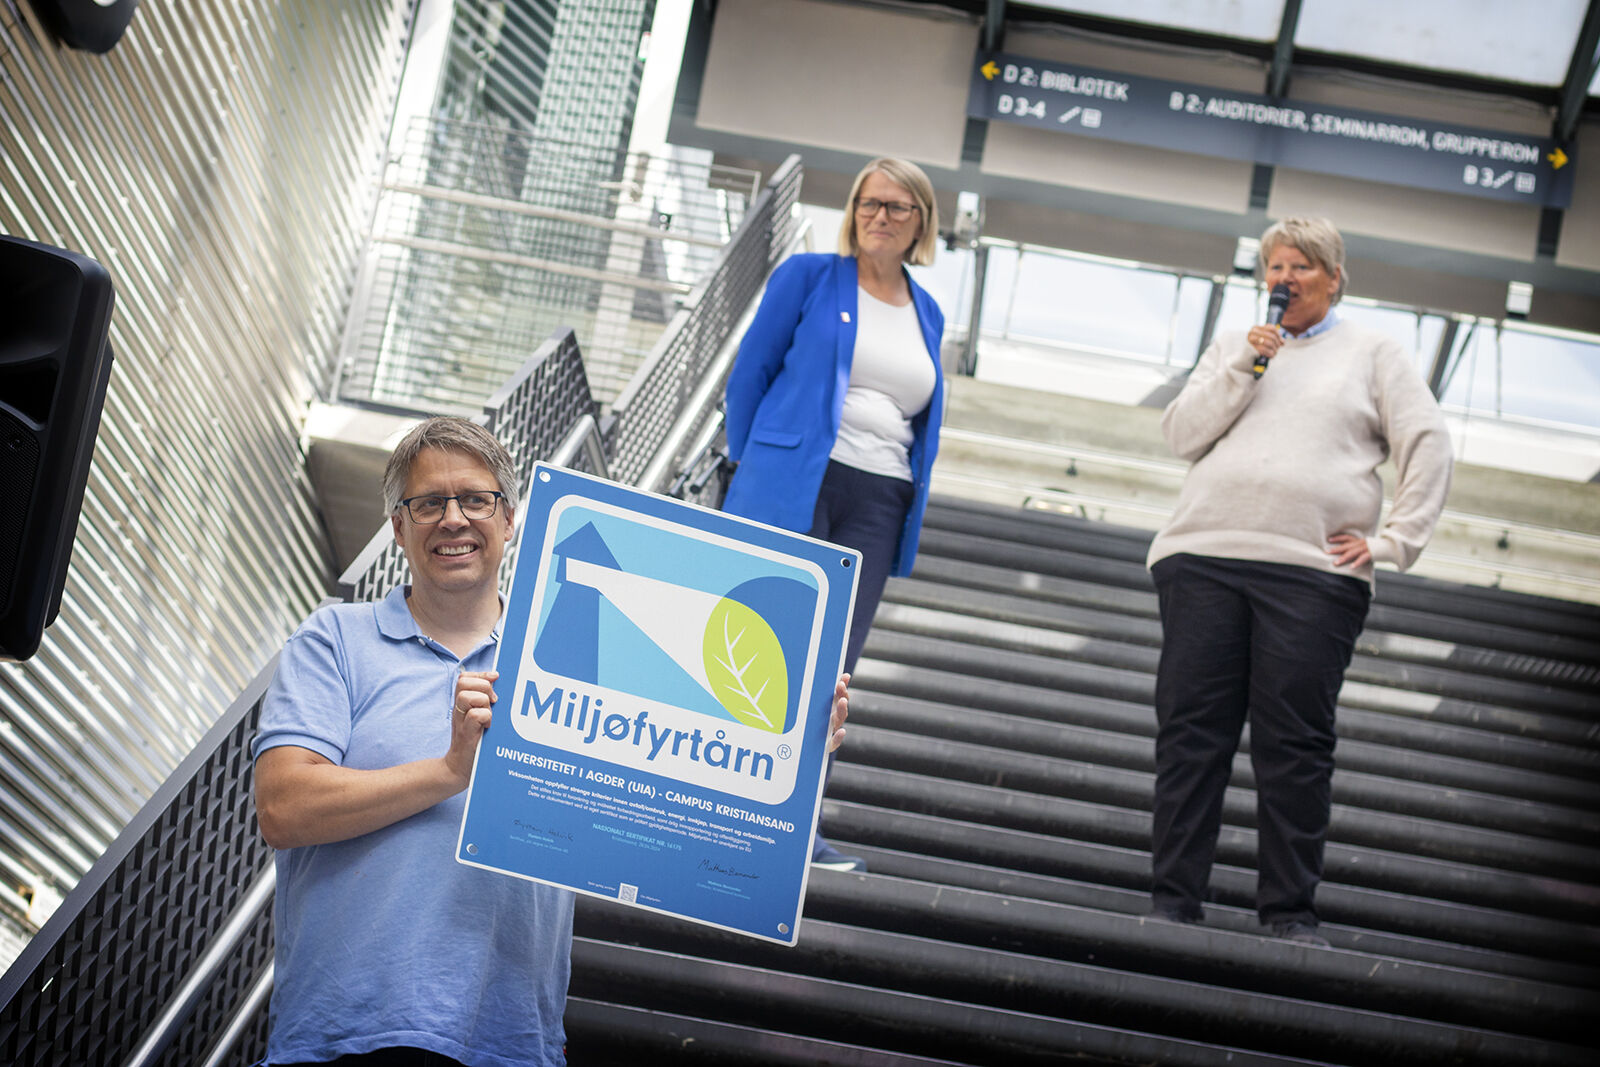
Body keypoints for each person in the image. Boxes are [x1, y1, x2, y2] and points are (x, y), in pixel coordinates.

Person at [252, 416, 851, 1066]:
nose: (453, 518)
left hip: (508, 1041)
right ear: (399, 527)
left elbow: (667, 830)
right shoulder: (336, 639)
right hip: (343, 1035)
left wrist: (785, 761)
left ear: (509, 520)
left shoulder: (580, 656)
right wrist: (451, 771)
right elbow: (285, 807)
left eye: (476, 499)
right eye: (428, 503)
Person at [1144, 217, 1453, 948]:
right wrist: (1244, 367)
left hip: (1313, 575)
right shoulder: (1238, 345)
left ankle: (1288, 913)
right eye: (1274, 266)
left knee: (1294, 741)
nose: (1284, 278)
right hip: (1205, 555)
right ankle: (1174, 900)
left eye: (1300, 267)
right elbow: (1181, 434)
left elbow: (1428, 441)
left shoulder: (1374, 351)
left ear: (1333, 277)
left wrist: (1394, 542)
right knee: (1192, 734)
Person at [721, 157, 945, 873]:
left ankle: (794, 828)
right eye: (870, 203)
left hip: (879, 496)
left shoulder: (929, 310)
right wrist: (754, 462)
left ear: (922, 224)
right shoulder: (809, 277)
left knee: (832, 668)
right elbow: (750, 374)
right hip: (796, 482)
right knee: (763, 640)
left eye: (898, 207)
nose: (880, 216)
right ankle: (718, 806)